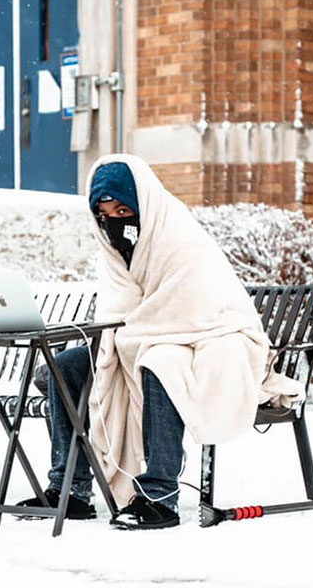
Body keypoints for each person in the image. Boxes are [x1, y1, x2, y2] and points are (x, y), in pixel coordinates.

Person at [21, 154, 275, 530]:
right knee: (64, 369)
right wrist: (120, 339)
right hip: (139, 340)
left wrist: (131, 337)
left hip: (210, 338)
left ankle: (160, 494)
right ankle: (69, 490)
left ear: (143, 205)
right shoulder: (114, 252)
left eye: (124, 210)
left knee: (161, 363)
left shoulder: (179, 239)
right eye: (104, 214)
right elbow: (118, 311)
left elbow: (188, 308)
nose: (114, 222)